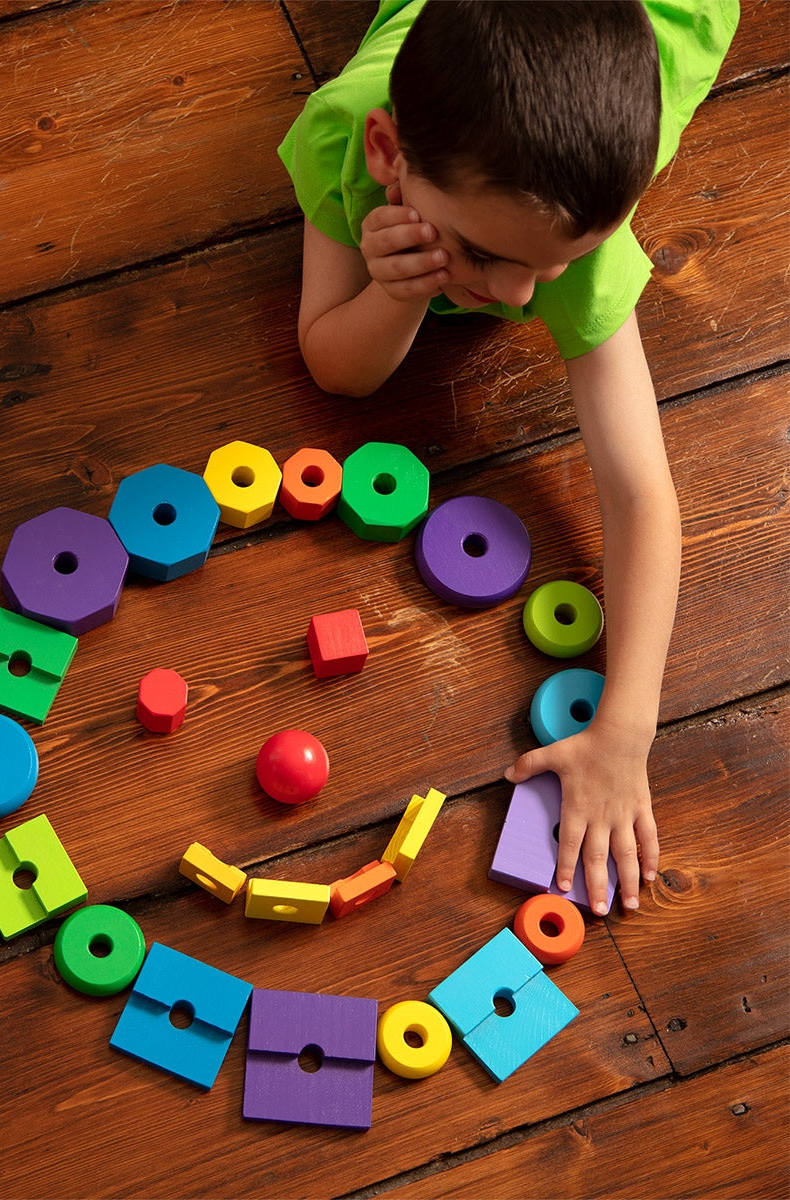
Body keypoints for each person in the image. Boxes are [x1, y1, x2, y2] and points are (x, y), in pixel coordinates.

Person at [278, 0, 738, 916]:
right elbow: (337, 365)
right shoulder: (343, 129)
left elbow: (641, 495)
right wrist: (396, 294)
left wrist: (626, 729)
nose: (522, 297)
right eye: (487, 254)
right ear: (388, 155)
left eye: (557, 266)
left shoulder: (572, 237)